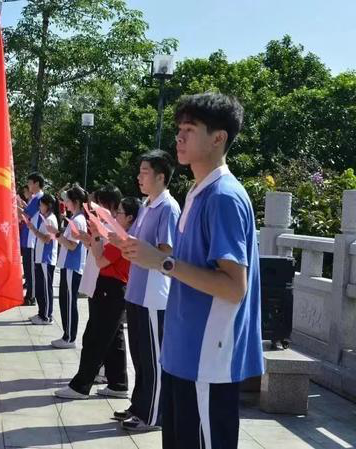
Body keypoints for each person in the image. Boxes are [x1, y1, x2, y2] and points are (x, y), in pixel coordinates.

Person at [118, 93, 263, 449]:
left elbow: (234, 287)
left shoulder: (223, 197)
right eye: (179, 129)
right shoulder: (198, 192)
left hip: (208, 360)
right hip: (183, 354)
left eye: (190, 129)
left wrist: (162, 261)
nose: (179, 137)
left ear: (218, 138)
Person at [115, 150, 181, 432]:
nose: (139, 177)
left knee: (153, 359)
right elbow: (138, 245)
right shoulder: (146, 205)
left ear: (161, 177)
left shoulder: (168, 208)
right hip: (136, 291)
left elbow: (167, 252)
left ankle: (154, 416)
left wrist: (137, 249)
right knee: (140, 357)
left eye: (144, 172)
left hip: (155, 295)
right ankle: (139, 406)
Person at [55, 195, 140, 400]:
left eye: (119, 212)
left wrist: (95, 235)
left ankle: (81, 386)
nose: (116, 216)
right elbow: (98, 252)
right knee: (114, 339)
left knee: (94, 338)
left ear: (129, 217)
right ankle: (118, 384)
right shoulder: (121, 237)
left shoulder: (122, 238)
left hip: (111, 289)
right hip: (112, 289)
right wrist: (94, 236)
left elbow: (100, 260)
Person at [49, 185, 88, 349]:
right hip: (68, 266)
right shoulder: (75, 218)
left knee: (70, 302)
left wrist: (56, 233)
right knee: (65, 301)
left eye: (68, 200)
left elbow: (72, 246)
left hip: (73, 266)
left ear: (76, 202)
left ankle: (70, 338)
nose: (65, 203)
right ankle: (67, 335)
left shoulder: (78, 220)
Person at [27, 193, 60, 325]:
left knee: (45, 288)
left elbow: (47, 239)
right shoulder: (46, 218)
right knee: (41, 288)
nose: (40, 207)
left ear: (48, 206)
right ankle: (42, 313)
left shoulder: (50, 219)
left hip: (46, 259)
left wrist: (33, 230)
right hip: (41, 258)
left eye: (41, 205)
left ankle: (46, 316)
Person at [18, 173, 45, 305]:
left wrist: (12, 206)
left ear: (37, 183)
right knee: (28, 269)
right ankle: (30, 295)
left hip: (32, 238)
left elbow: (26, 215)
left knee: (30, 270)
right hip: (28, 237)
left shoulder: (38, 198)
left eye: (29, 183)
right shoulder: (35, 197)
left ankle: (31, 297)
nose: (28, 186)